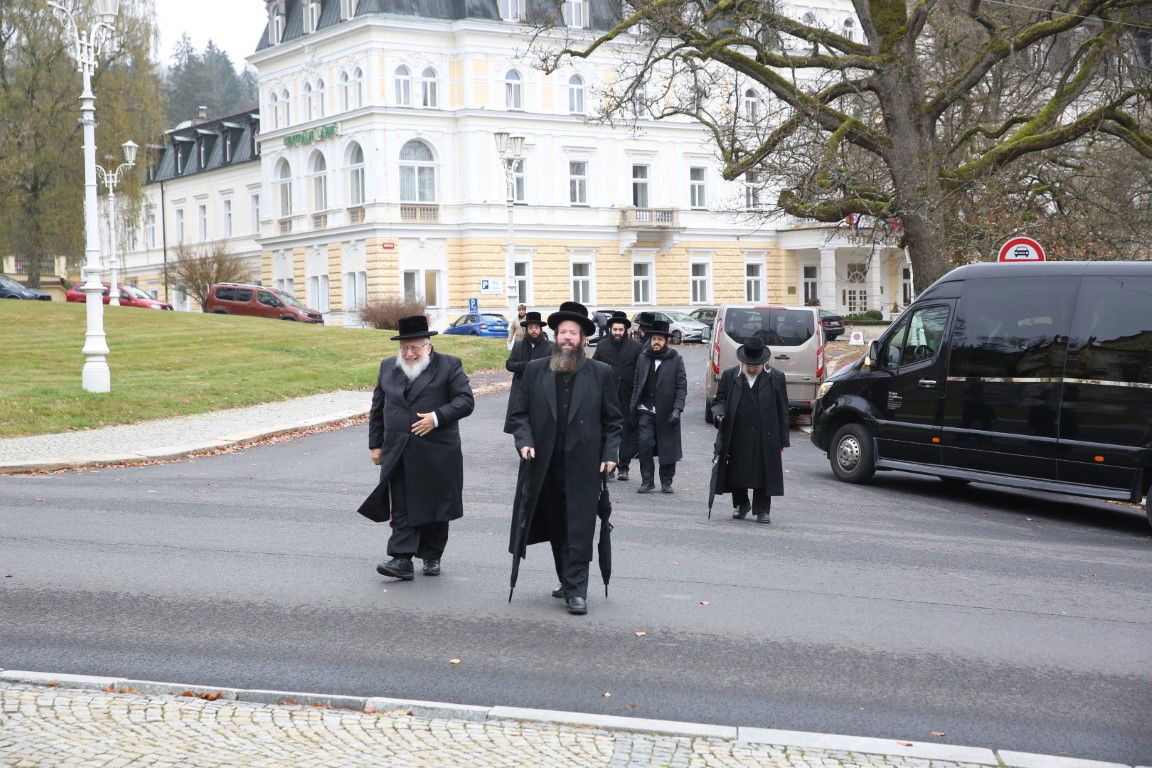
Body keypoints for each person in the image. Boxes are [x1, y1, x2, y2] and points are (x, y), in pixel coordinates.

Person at [507, 301, 623, 615]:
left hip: (584, 466)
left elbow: (614, 421)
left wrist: (611, 453)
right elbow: (518, 414)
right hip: (545, 467)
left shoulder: (601, 374)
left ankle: (577, 590)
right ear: (555, 337)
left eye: (573, 333)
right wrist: (524, 441)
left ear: (584, 339)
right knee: (557, 527)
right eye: (562, 332)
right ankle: (567, 578)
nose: (567, 337)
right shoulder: (535, 371)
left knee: (580, 527)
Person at [364, 315, 475, 579]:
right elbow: (377, 409)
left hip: (437, 451)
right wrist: (376, 445)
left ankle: (432, 554)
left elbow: (465, 401)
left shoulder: (449, 365)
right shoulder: (388, 367)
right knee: (401, 505)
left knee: (436, 505)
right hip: (398, 450)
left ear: (428, 346)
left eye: (414, 348)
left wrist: (436, 418)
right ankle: (401, 559)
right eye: (404, 348)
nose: (409, 354)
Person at [710, 337, 789, 523]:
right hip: (737, 433)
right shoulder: (730, 375)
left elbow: (783, 409)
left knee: (764, 471)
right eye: (749, 365)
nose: (752, 369)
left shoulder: (776, 377)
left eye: (756, 365)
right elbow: (719, 401)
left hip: (765, 434)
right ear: (742, 361)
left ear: (763, 362)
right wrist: (719, 414)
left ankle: (762, 510)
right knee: (737, 471)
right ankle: (741, 503)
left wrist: (783, 439)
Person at [628, 319, 687, 494]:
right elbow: (637, 385)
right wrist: (633, 407)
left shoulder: (675, 359)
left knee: (667, 446)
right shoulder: (643, 358)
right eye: (654, 339)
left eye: (660, 339)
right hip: (645, 410)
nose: (656, 342)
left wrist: (677, 409)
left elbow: (681, 387)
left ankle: (666, 481)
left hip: (668, 411)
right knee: (644, 444)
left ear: (665, 341)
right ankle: (647, 481)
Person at [592, 311, 642, 481]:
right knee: (608, 430)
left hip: (628, 394)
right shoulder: (602, 345)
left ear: (625, 330)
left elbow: (641, 370)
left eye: (621, 330)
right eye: (615, 329)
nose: (618, 333)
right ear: (610, 329)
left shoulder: (636, 346)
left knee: (627, 431)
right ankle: (609, 466)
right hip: (607, 394)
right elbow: (594, 368)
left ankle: (624, 467)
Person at [503, 311, 552, 434]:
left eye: (536, 328)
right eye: (531, 328)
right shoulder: (518, 345)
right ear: (526, 329)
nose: (534, 330)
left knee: (541, 427)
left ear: (540, 329)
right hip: (521, 389)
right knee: (521, 426)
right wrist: (526, 365)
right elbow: (509, 364)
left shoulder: (550, 346)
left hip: (542, 390)